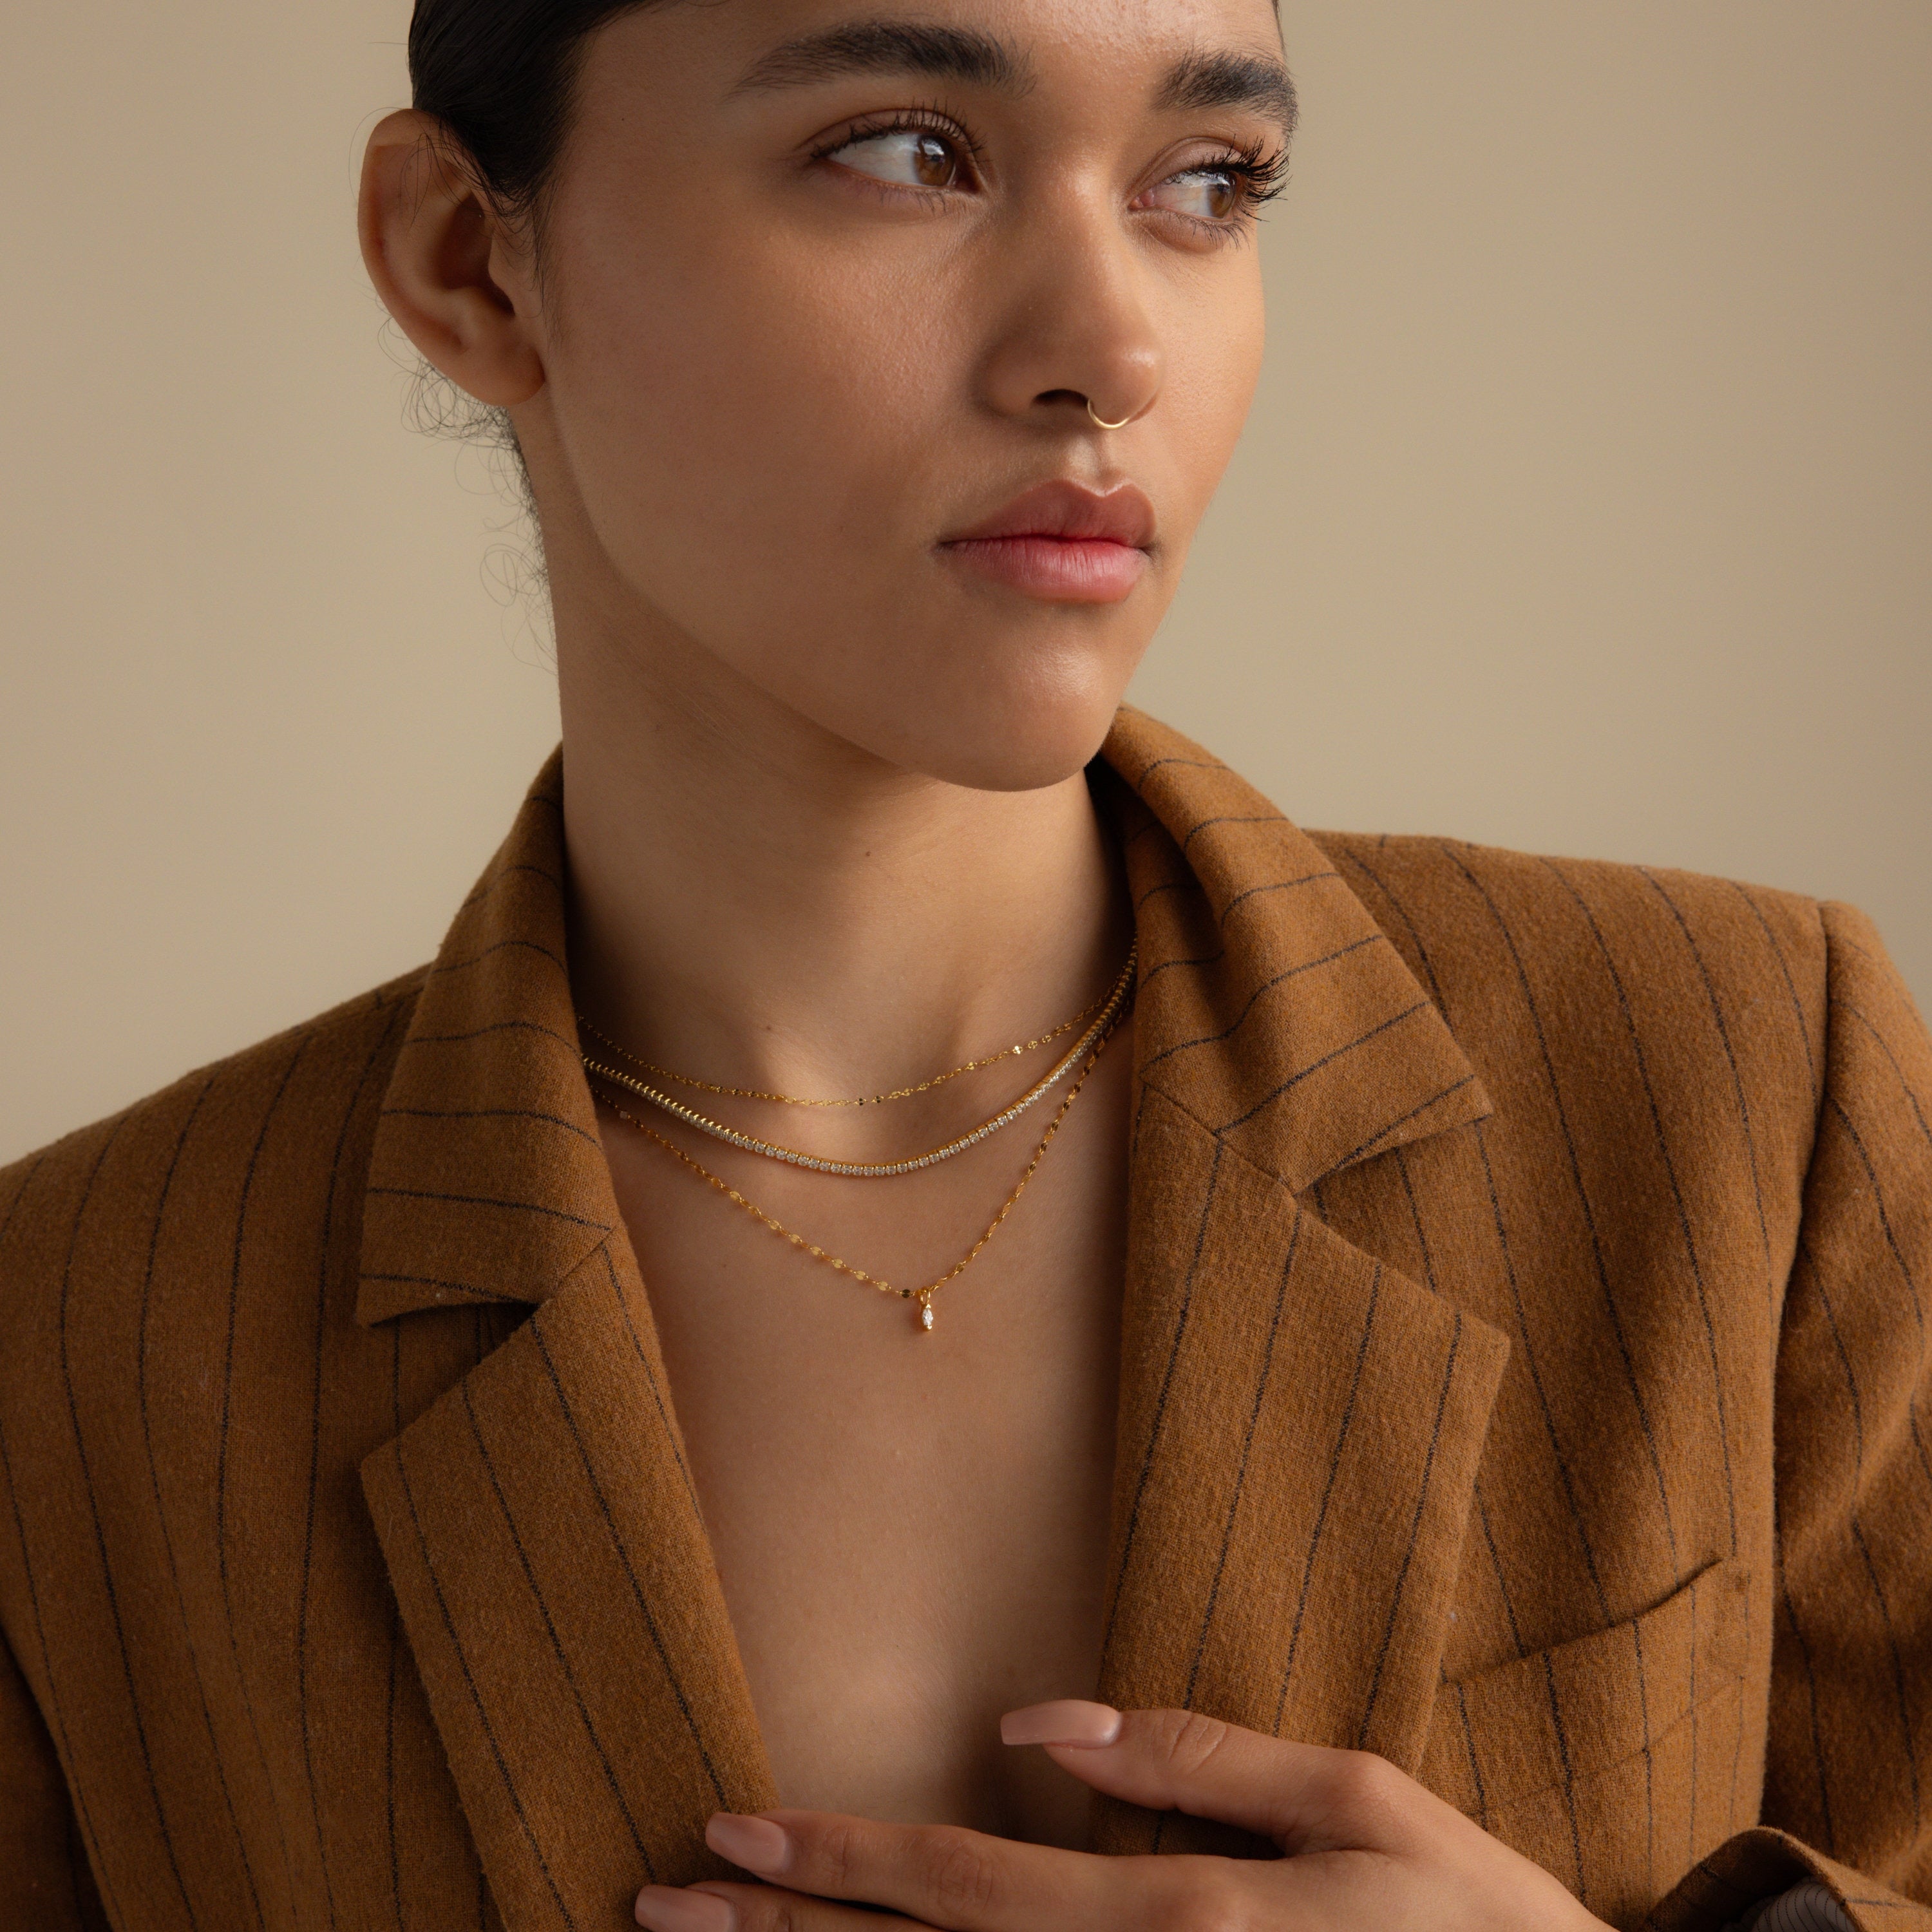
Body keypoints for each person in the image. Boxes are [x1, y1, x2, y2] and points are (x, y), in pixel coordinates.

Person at [1, 1, 1926, 1928]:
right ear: (465, 259)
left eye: (1207, 184)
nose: (1114, 349)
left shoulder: (1736, 1085)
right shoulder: (72, 1355)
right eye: (910, 151)